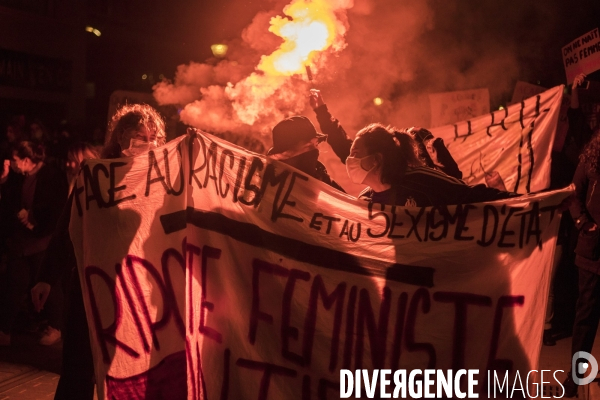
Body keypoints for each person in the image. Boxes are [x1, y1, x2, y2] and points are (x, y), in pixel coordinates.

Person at [30, 104, 167, 400]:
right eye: (140, 135)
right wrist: (46, 277)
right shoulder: (95, 177)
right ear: (120, 137)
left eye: (154, 136)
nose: (149, 142)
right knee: (79, 368)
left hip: (137, 290)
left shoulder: (161, 181)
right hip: (90, 287)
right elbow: (69, 228)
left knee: (128, 368)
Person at [346, 123, 518, 206]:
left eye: (355, 154)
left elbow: (471, 196)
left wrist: (531, 203)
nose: (349, 160)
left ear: (376, 159)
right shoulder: (364, 201)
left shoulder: (423, 181)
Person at [0, 141, 68, 346]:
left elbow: (55, 207)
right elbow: (11, 203)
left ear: (27, 161)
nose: (11, 164)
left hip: (43, 240)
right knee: (14, 281)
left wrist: (33, 216)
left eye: (15, 160)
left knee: (48, 283)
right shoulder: (19, 177)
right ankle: (4, 329)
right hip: (24, 241)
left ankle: (56, 326)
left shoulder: (51, 176)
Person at [562, 127, 600, 398]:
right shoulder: (590, 159)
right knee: (585, 318)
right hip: (592, 253)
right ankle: (575, 378)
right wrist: (584, 224)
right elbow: (574, 195)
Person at [267, 115, 344, 192]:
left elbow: (344, 202)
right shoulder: (267, 182)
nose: (315, 150)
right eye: (308, 146)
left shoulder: (322, 178)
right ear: (287, 153)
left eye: (316, 144)